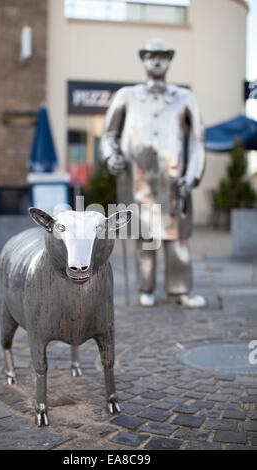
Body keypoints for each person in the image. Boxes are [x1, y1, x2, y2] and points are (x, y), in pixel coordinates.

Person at [100, 38, 206, 308]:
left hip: (173, 181)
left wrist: (193, 175)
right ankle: (145, 288)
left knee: (177, 239)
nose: (157, 61)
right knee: (145, 237)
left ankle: (179, 290)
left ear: (169, 60)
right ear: (143, 59)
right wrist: (111, 156)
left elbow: (197, 141)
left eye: (162, 56)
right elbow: (108, 135)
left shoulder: (184, 97)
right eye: (151, 56)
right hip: (139, 179)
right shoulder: (127, 95)